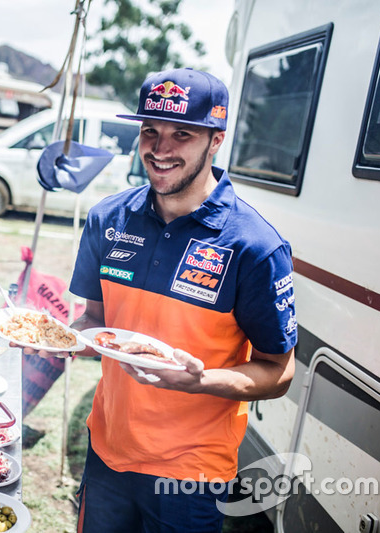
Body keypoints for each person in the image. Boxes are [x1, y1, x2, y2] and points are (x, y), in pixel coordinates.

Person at [22, 68, 297, 532]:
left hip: (191, 472)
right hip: (108, 448)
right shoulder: (108, 218)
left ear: (215, 141)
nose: (160, 148)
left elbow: (279, 371)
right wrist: (55, 337)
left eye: (181, 134)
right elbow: (95, 320)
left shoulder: (253, 246)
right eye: (150, 131)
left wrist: (200, 381)